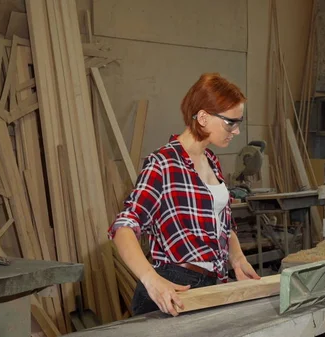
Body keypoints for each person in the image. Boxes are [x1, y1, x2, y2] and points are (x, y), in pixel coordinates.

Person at [108, 72, 260, 317]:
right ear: (203, 117)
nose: (237, 131)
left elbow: (222, 222)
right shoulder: (163, 164)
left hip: (211, 284)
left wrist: (237, 258)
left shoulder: (211, 160)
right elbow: (123, 226)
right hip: (175, 286)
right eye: (231, 122)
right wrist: (150, 279)